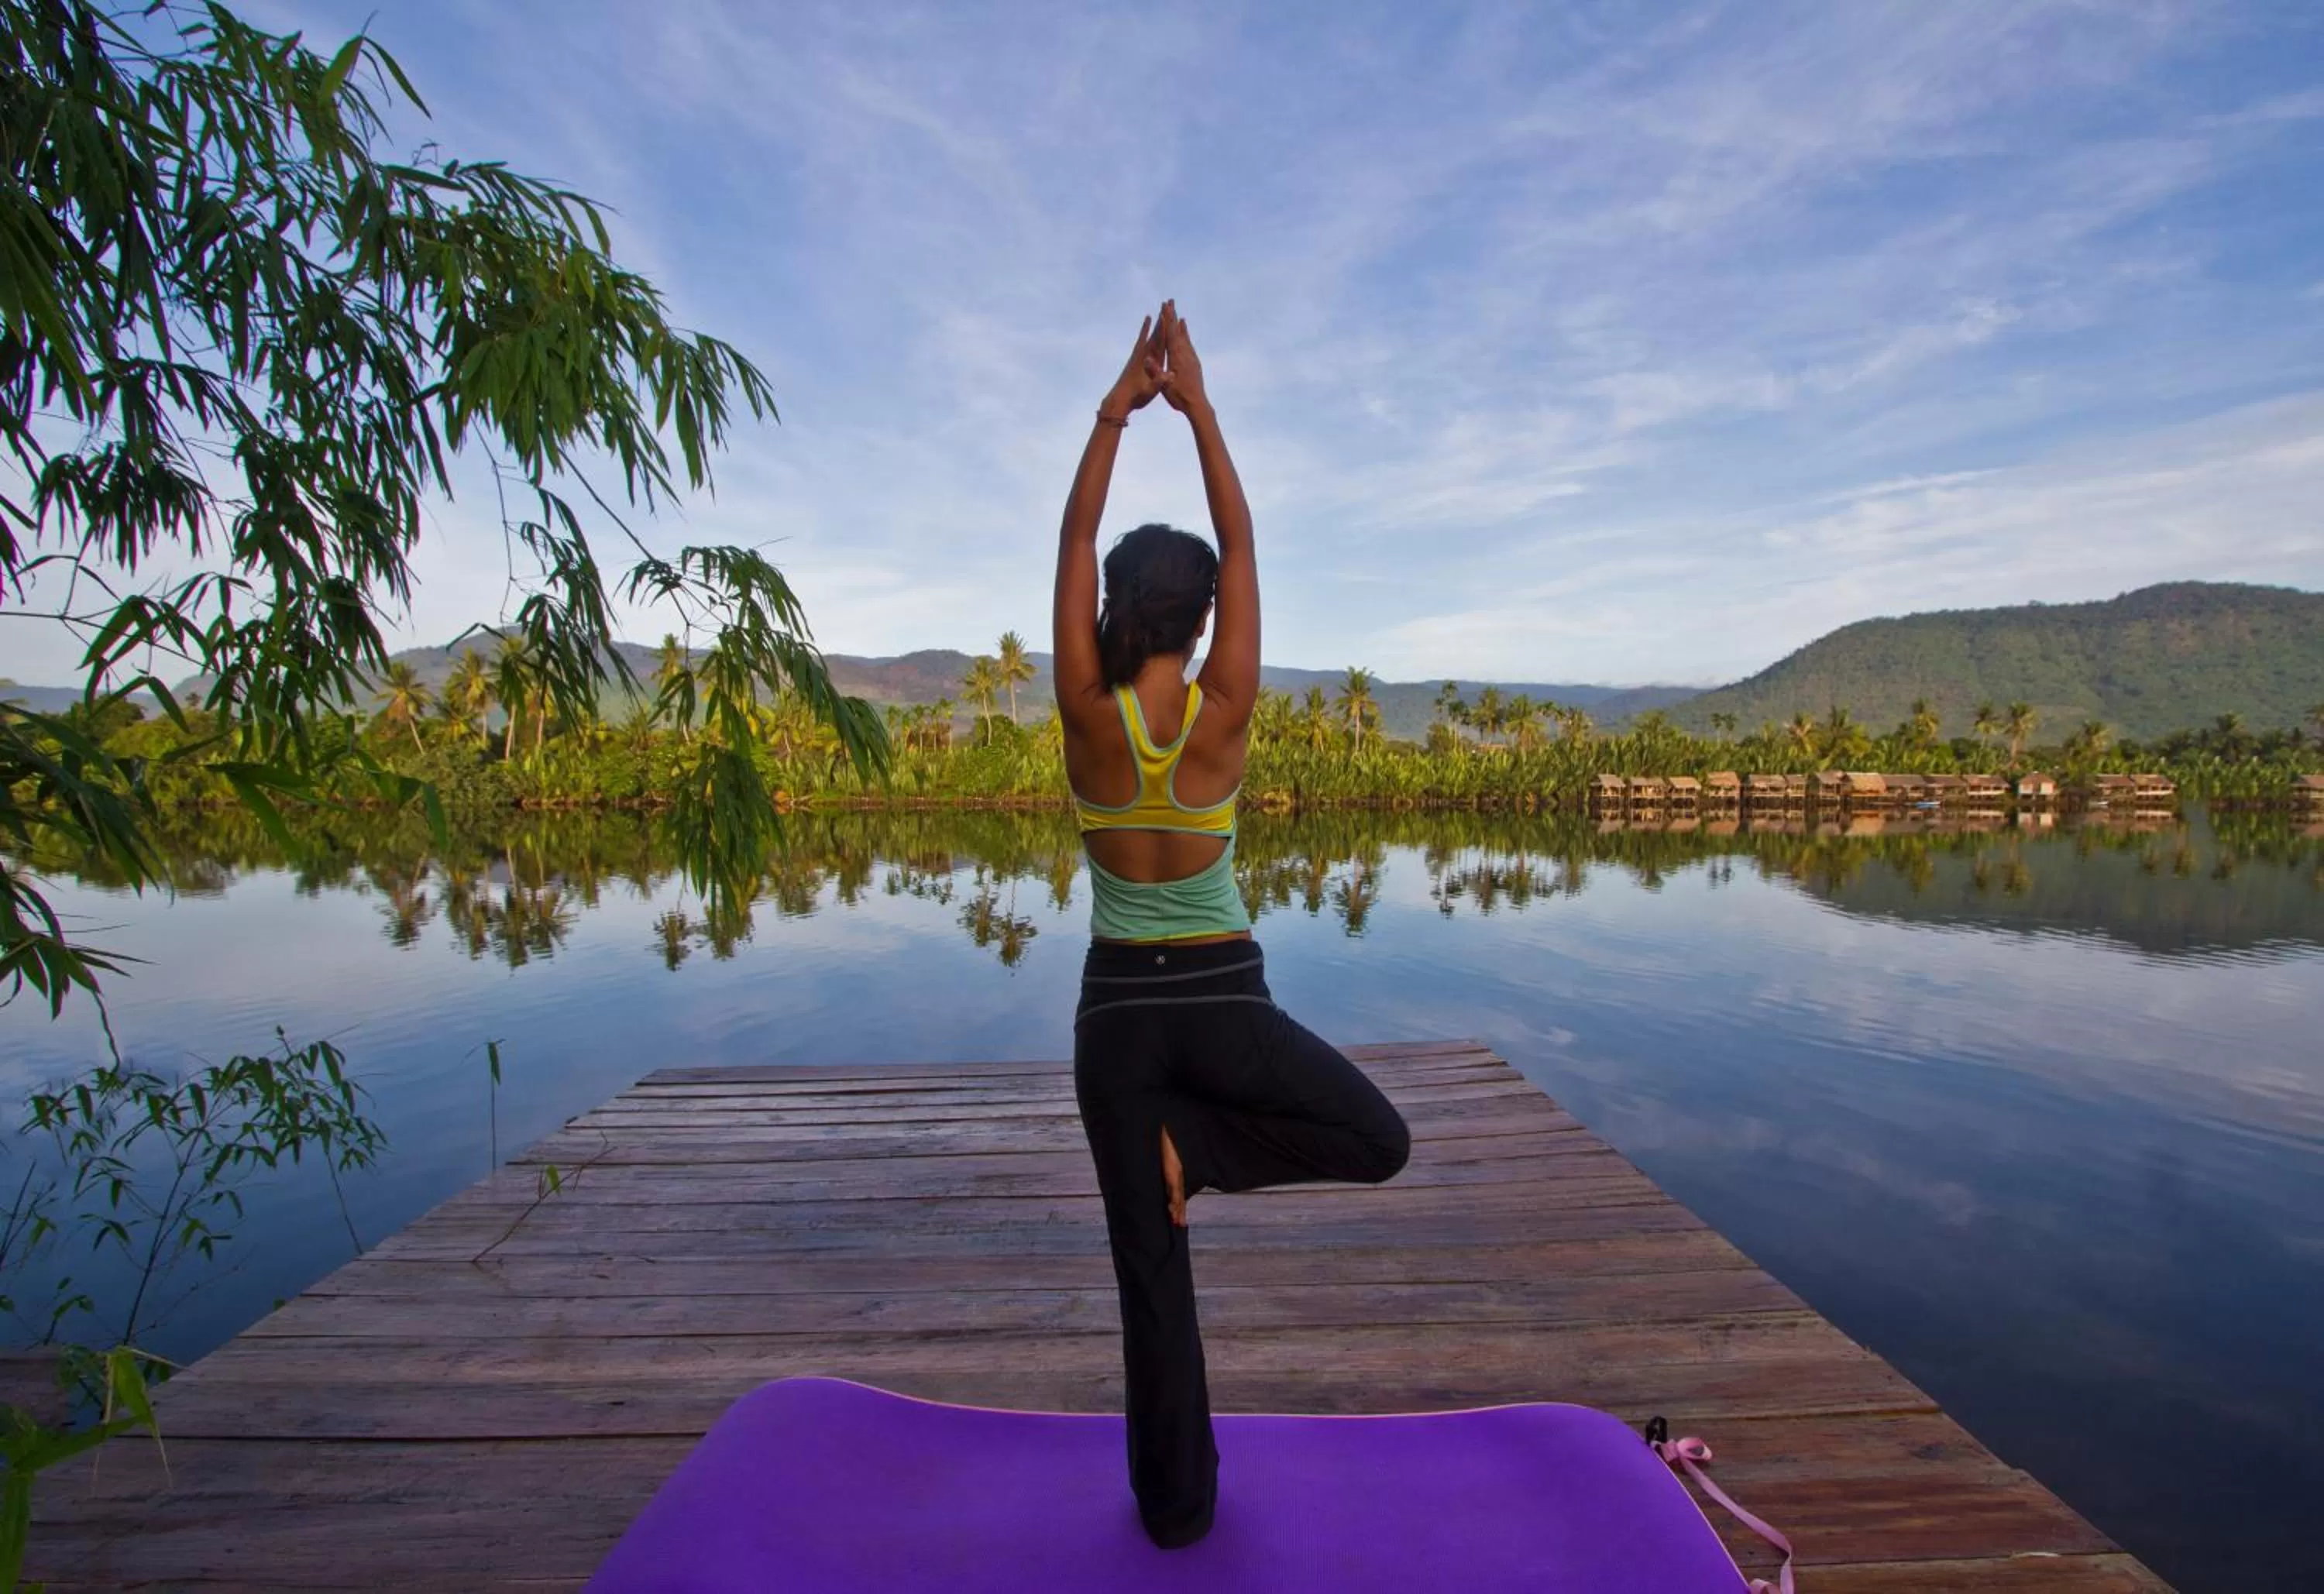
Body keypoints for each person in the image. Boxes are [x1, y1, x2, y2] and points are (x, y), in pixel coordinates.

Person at [1052, 301, 1414, 1549]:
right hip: (1222, 1004)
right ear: (1200, 620)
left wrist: (1117, 408)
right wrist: (1196, 403)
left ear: (1114, 608)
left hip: (1119, 1024)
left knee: (1148, 1277)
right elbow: (1244, 536)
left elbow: (1077, 530)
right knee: (1377, 1136)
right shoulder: (1224, 712)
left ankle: (1177, 1513)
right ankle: (1198, 1147)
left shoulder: (1087, 713)